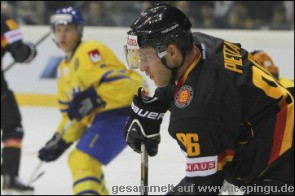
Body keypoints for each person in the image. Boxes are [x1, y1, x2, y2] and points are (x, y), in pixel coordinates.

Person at [124, 4, 294, 195]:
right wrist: (156, 104)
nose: (141, 67)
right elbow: (183, 80)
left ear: (171, 52)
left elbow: (203, 186)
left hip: (283, 162)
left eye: (145, 58)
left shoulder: (197, 113)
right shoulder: (200, 44)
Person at [37, 6, 148, 195]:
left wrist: (95, 97)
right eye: (59, 30)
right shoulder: (64, 70)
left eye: (68, 30)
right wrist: (60, 140)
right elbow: (72, 116)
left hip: (122, 116)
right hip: (104, 119)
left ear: (78, 31)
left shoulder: (91, 51)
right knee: (79, 159)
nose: (62, 35)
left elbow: (131, 86)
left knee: (83, 160)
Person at [1, 13, 37, 192]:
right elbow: (21, 54)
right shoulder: (6, 22)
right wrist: (31, 50)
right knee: (12, 129)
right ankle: (10, 177)